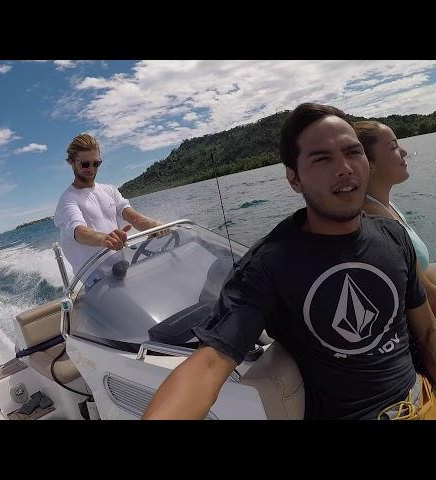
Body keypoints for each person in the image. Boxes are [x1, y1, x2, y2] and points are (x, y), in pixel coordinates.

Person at [143, 103, 436, 420]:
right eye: (322, 158)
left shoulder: (392, 235)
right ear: (294, 179)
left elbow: (427, 333)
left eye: (353, 152)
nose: (345, 167)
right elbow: (209, 364)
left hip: (423, 396)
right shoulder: (269, 264)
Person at [54, 133, 166, 276]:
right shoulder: (68, 199)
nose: (91, 169)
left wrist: (155, 226)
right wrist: (104, 239)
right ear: (71, 162)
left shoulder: (110, 190)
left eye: (96, 163)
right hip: (95, 279)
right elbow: (79, 231)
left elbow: (133, 218)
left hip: (122, 268)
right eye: (85, 164)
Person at [354, 120, 436, 316]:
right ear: (368, 163)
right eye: (393, 146)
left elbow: (423, 271)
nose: (404, 151)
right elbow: (427, 299)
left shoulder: (385, 206)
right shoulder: (377, 222)